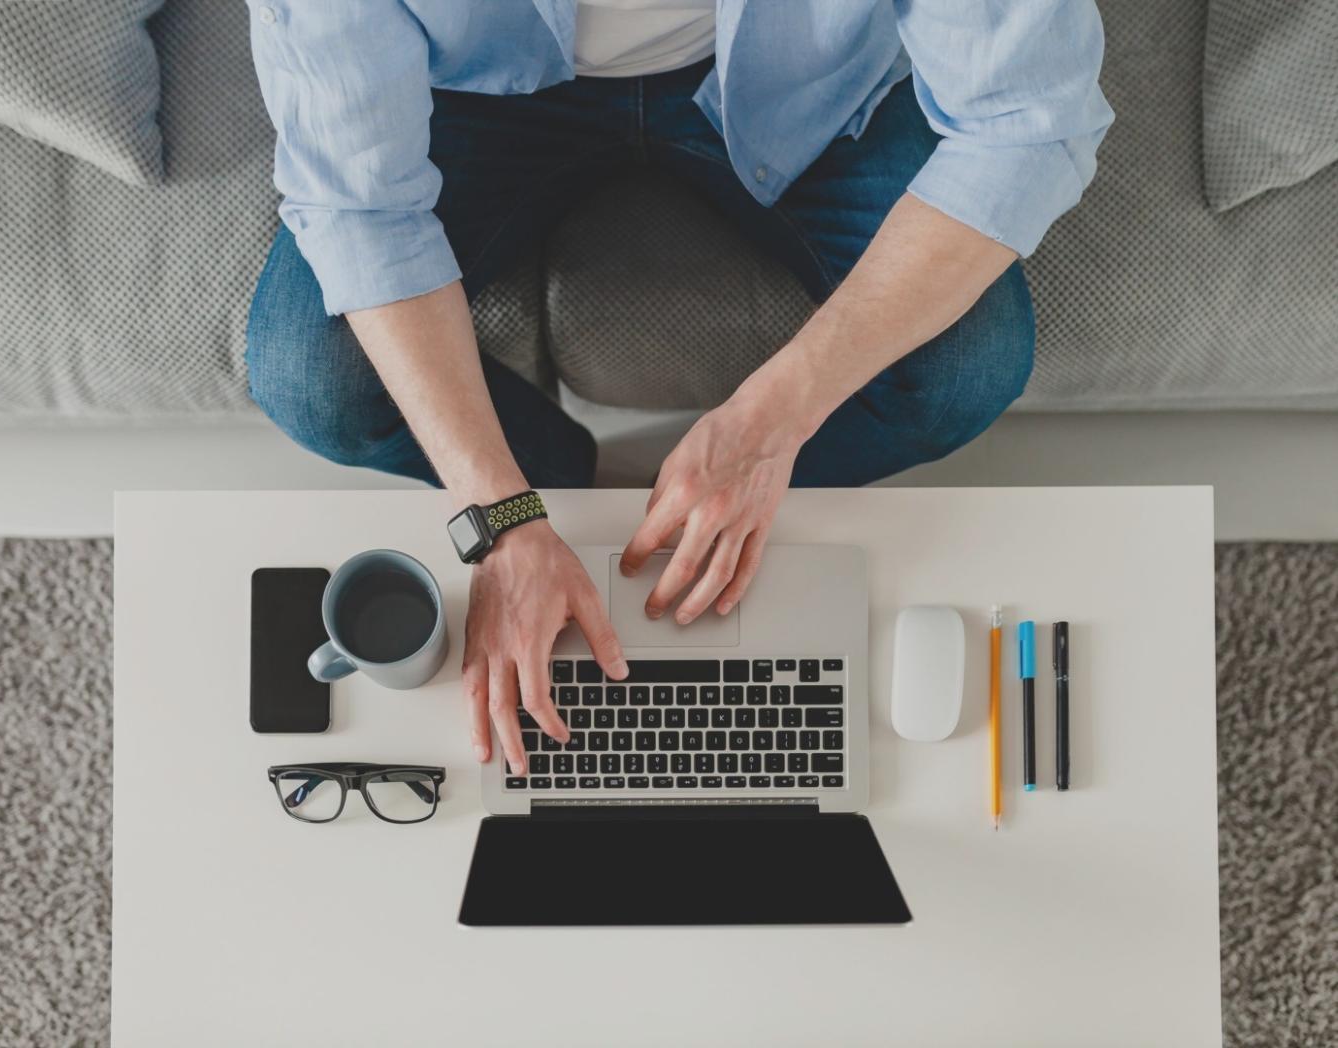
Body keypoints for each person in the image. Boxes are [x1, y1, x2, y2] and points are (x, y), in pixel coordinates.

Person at [244, 1, 1113, 778]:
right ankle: (569, 498)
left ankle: (725, 522)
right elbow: (359, 206)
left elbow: (1027, 122)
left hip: (797, 76)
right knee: (312, 378)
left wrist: (771, 421)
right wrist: (499, 515)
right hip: (479, 86)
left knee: (969, 365)